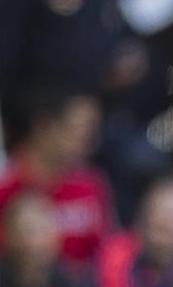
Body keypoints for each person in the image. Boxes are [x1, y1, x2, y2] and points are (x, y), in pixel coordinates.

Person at [0, 0, 165, 224]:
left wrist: (129, 66)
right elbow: (7, 55)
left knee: (147, 165)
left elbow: (124, 38)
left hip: (106, 123)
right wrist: (30, 122)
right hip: (46, 131)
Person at [0, 87, 114, 270]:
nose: (86, 144)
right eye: (76, 131)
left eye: (90, 134)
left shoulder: (91, 185)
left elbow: (104, 254)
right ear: (43, 125)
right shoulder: (6, 182)